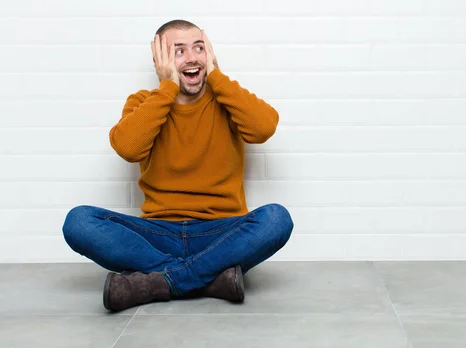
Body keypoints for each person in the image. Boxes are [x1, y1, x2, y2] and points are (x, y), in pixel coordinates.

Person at [62, 19, 294, 312]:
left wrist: (217, 76)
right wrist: (167, 87)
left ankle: (162, 280)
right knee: (78, 221)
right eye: (179, 51)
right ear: (160, 60)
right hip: (158, 235)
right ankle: (207, 279)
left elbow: (264, 128)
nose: (193, 57)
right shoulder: (146, 102)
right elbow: (127, 148)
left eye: (199, 47)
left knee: (277, 218)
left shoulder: (227, 100)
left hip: (220, 233)